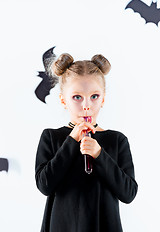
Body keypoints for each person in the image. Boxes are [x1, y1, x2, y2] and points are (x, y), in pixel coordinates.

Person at [35, 53, 138, 232]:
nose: (86, 105)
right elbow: (44, 185)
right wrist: (71, 141)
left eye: (94, 96)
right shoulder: (51, 137)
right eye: (77, 97)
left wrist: (99, 154)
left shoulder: (117, 140)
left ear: (103, 99)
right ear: (63, 100)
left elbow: (128, 193)